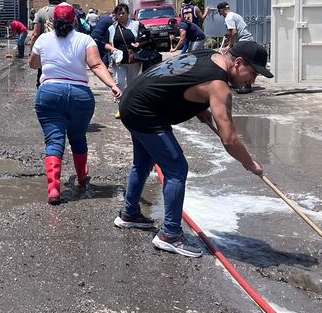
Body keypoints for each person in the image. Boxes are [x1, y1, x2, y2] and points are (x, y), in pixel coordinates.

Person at [114, 42, 271, 257]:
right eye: (253, 73)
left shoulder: (210, 56)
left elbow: (181, 79)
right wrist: (250, 163)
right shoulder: (219, 85)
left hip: (131, 101)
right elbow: (229, 139)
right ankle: (170, 236)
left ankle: (129, 214)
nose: (252, 80)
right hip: (144, 111)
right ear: (238, 62)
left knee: (143, 162)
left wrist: (199, 107)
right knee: (176, 169)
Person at [29, 4, 122, 205]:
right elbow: (96, 64)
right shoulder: (85, 39)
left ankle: (54, 190)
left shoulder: (43, 39)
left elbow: (33, 64)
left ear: (53, 21)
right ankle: (81, 177)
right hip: (80, 96)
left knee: (54, 141)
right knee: (78, 138)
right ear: (74, 21)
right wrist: (113, 85)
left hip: (50, 93)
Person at [29, 0, 69, 86]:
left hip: (46, 54)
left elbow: (35, 35)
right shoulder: (68, 11)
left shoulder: (41, 12)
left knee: (42, 82)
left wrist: (32, 52)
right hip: (65, 53)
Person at [105, 4, 146, 91]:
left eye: (123, 13)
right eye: (118, 14)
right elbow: (106, 44)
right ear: (116, 15)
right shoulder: (112, 28)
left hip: (133, 60)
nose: (121, 15)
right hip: (118, 61)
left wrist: (139, 44)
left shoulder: (136, 25)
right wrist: (112, 49)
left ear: (128, 14)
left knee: (132, 84)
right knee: (119, 83)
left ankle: (130, 99)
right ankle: (121, 98)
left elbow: (148, 38)